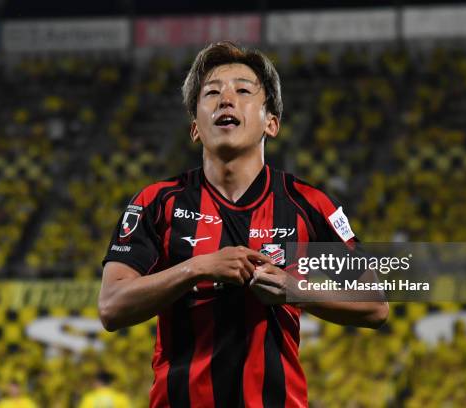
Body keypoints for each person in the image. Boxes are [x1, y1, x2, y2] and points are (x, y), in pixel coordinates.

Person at [99, 41, 388, 407]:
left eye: (243, 90)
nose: (226, 99)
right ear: (195, 129)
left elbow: (375, 304)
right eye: (212, 93)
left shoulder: (309, 204)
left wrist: (292, 289)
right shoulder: (156, 202)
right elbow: (111, 306)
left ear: (271, 122)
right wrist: (198, 267)